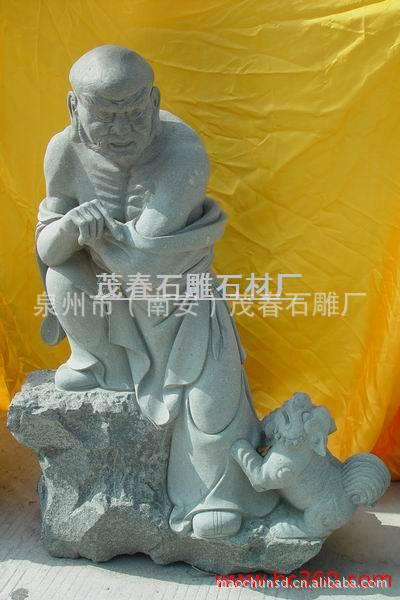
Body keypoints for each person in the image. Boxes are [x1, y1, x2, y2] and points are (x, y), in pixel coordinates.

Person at [36, 45, 278, 539]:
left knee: (210, 402)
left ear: (155, 101)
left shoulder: (182, 153)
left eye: (133, 113)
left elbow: (145, 254)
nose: (121, 129)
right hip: (107, 291)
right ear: (73, 106)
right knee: (62, 276)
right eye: (105, 116)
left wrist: (95, 237)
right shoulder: (63, 151)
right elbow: (48, 246)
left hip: (175, 297)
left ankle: (213, 492)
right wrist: (69, 230)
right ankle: (102, 363)